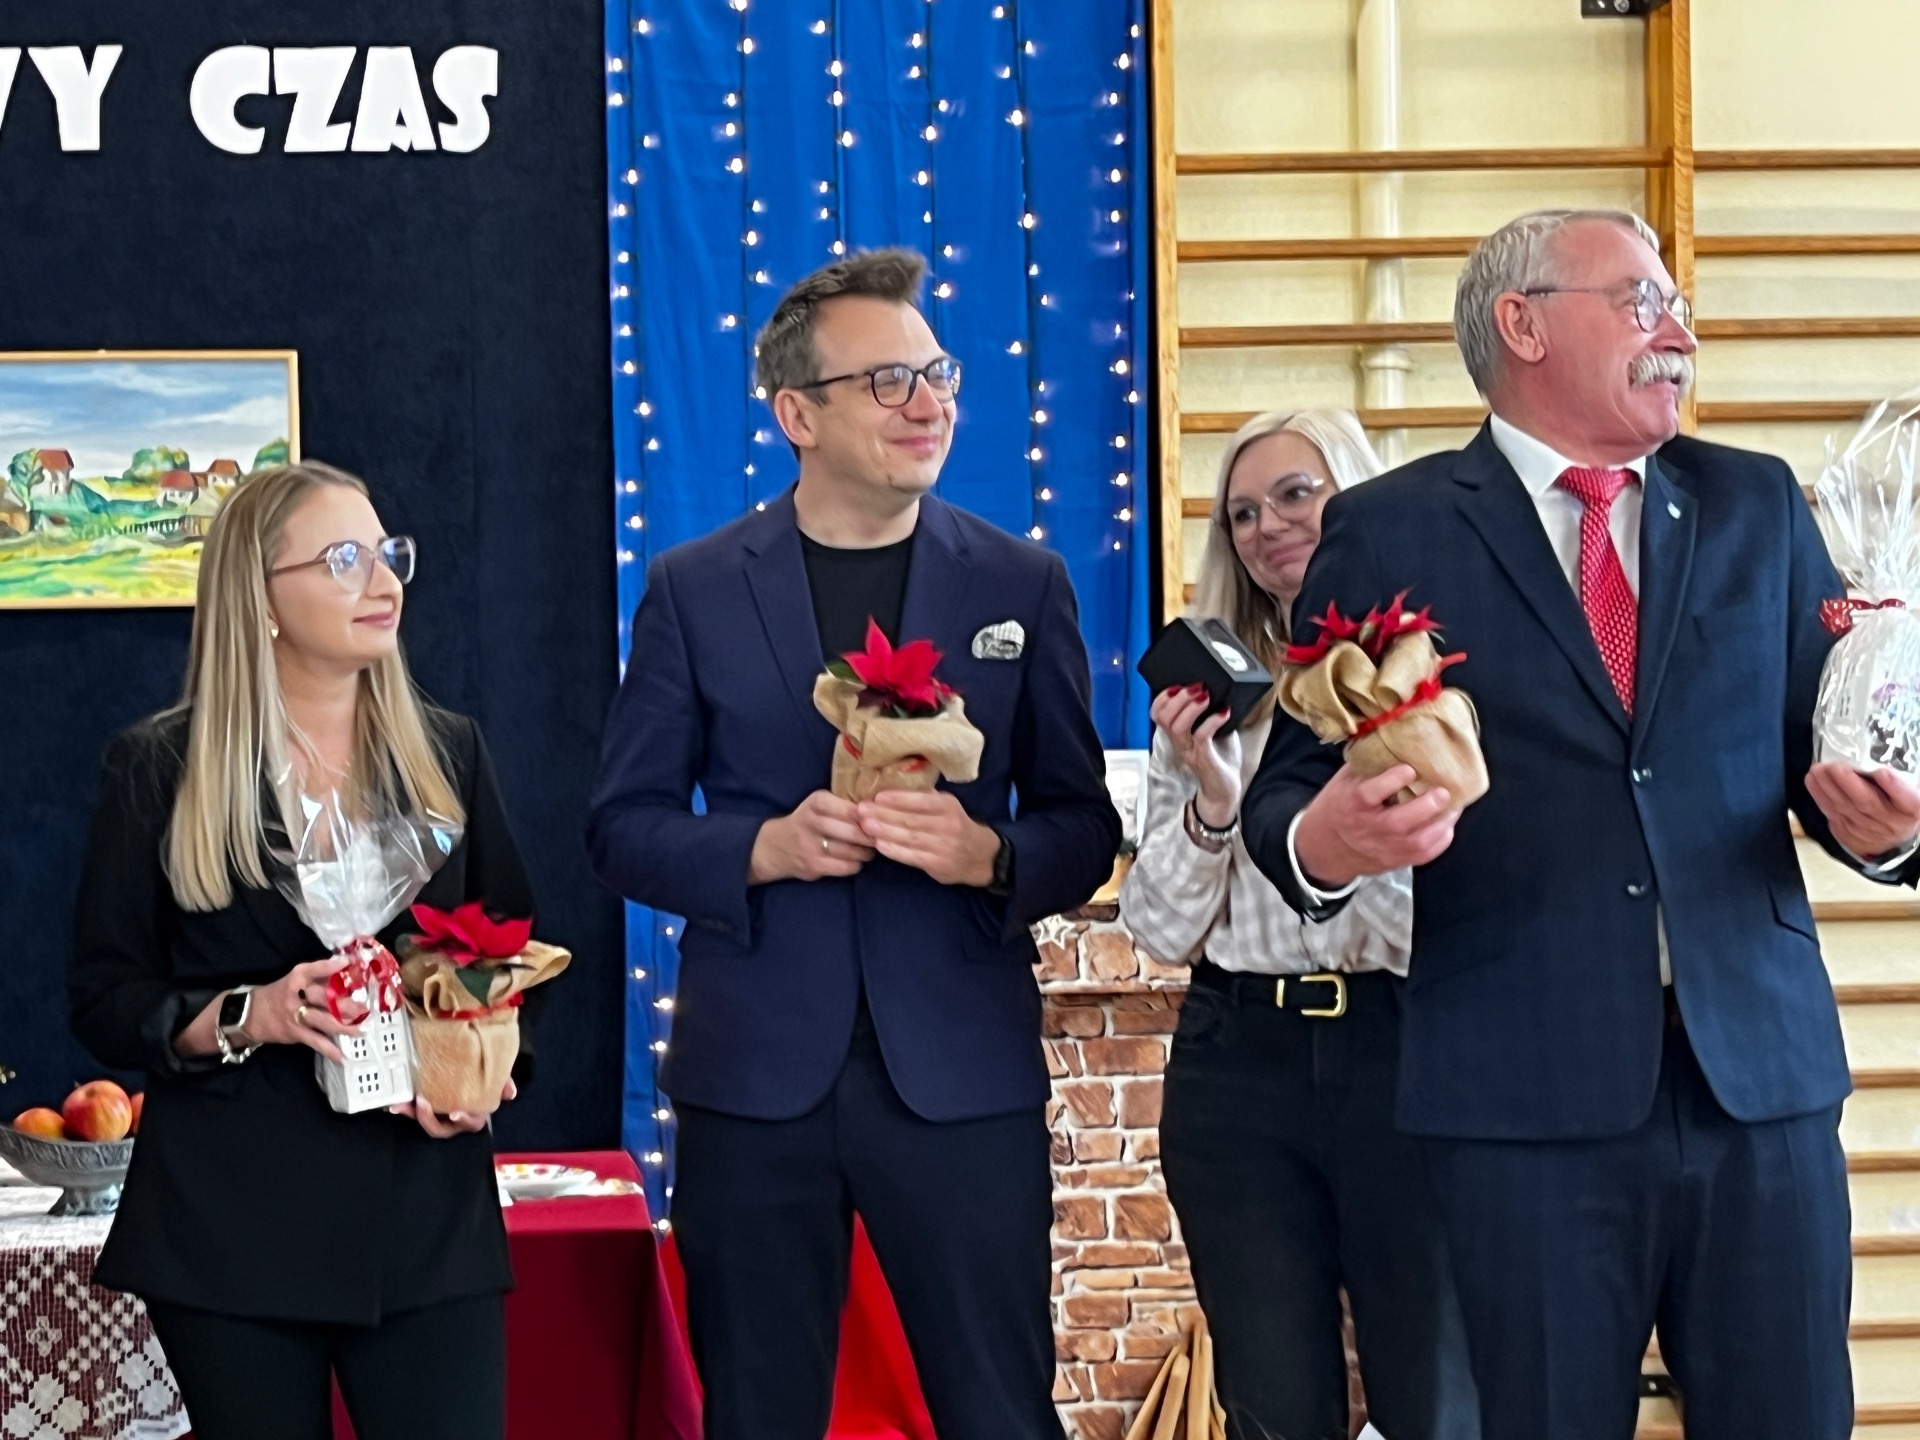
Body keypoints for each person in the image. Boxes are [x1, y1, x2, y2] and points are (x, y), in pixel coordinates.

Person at [1242, 209, 1920, 1440]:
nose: (1680, 334)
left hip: (1758, 1089)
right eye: (1643, 302)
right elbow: (1286, 792)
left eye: (1678, 309)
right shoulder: (1392, 528)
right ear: (1524, 323)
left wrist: (1888, 835)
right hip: (1520, 1104)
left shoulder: (1756, 505)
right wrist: (1328, 843)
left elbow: (1835, 756)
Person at [587, 247, 1120, 1440]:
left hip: (962, 1073)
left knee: (1000, 1413)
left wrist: (987, 857)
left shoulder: (1022, 583)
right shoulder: (693, 588)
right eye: (887, 381)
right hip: (753, 1078)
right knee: (758, 1414)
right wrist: (761, 850)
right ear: (797, 415)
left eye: (936, 374)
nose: (927, 404)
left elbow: (1084, 826)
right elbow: (620, 830)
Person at [69, 462, 533, 1440]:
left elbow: (513, 955)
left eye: (388, 553)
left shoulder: (450, 753)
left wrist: (485, 1071)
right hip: (230, 1232)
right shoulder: (160, 768)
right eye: (344, 559)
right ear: (261, 597)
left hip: (426, 1219)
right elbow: (105, 997)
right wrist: (251, 1015)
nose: (384, 581)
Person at [1121, 409, 1479, 1440]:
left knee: (1438, 1402)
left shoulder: (1430, 681)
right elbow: (1159, 928)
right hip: (1240, 1059)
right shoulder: (1207, 703)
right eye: (1240, 513)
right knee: (1273, 1406)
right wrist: (1214, 797)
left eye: (1295, 494)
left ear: (1357, 499)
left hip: (1404, 1049)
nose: (1267, 525)